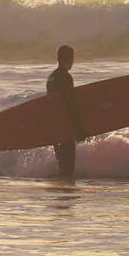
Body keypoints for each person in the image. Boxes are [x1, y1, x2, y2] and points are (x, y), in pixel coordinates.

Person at [48, 44, 84, 177]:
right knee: (68, 166)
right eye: (72, 58)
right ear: (68, 59)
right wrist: (78, 128)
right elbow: (69, 104)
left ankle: (62, 193)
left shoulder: (51, 78)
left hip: (55, 127)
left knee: (62, 165)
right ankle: (66, 195)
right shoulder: (66, 77)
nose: (73, 62)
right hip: (65, 127)